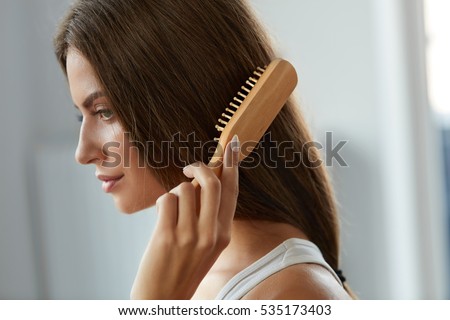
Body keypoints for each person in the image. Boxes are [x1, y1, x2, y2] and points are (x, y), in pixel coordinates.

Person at [54, 0, 354, 299]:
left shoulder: (293, 292)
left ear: (186, 104)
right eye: (82, 115)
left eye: (105, 112)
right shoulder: (191, 267)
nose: (83, 153)